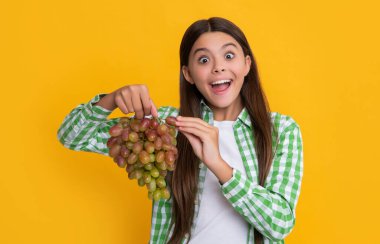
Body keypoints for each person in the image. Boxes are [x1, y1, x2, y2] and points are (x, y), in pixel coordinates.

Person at [57, 17, 303, 244]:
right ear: (188, 74)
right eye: (204, 60)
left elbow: (279, 224)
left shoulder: (280, 130)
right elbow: (72, 136)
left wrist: (219, 165)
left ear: (247, 64)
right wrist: (110, 100)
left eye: (229, 56)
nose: (218, 67)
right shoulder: (166, 127)